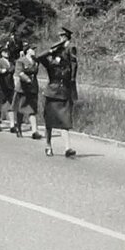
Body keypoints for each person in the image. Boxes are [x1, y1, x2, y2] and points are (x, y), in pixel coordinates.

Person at [37, 28, 78, 157]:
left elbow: (73, 63)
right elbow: (39, 57)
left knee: (65, 122)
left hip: (64, 93)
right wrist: (51, 50)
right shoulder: (50, 63)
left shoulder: (67, 66)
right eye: (58, 55)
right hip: (52, 94)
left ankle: (67, 148)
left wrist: (67, 48)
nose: (59, 58)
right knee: (49, 122)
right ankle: (48, 145)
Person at [12, 42, 42, 139]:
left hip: (32, 88)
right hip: (23, 88)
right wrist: (27, 79)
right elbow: (19, 72)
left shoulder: (36, 61)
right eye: (32, 49)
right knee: (20, 109)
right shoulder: (21, 61)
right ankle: (18, 128)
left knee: (32, 109)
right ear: (27, 51)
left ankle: (34, 131)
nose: (34, 51)